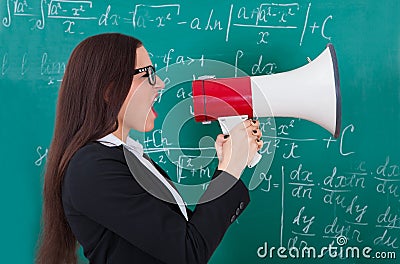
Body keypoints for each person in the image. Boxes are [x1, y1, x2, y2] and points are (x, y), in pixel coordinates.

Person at [36, 33, 263, 264]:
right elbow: (188, 252)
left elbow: (184, 236)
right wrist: (229, 170)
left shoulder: (125, 158)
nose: (160, 83)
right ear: (109, 90)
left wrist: (228, 165)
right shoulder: (92, 168)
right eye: (147, 74)